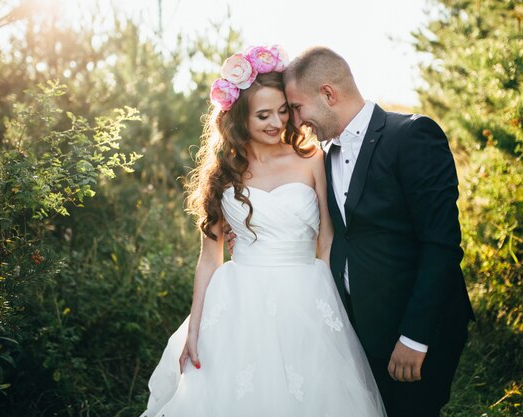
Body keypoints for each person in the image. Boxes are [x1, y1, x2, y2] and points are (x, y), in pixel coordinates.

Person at [138, 46, 387, 417]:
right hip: (239, 301)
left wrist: (342, 306)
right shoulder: (223, 174)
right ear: (240, 118)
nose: (276, 122)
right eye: (263, 115)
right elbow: (209, 260)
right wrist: (194, 327)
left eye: (283, 111)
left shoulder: (312, 159)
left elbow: (328, 241)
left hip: (307, 295)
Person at [277, 46, 475, 417]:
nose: (297, 121)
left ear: (328, 94)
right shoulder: (322, 155)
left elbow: (441, 244)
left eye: (298, 108)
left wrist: (415, 337)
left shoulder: (413, 136)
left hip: (417, 329)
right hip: (358, 330)